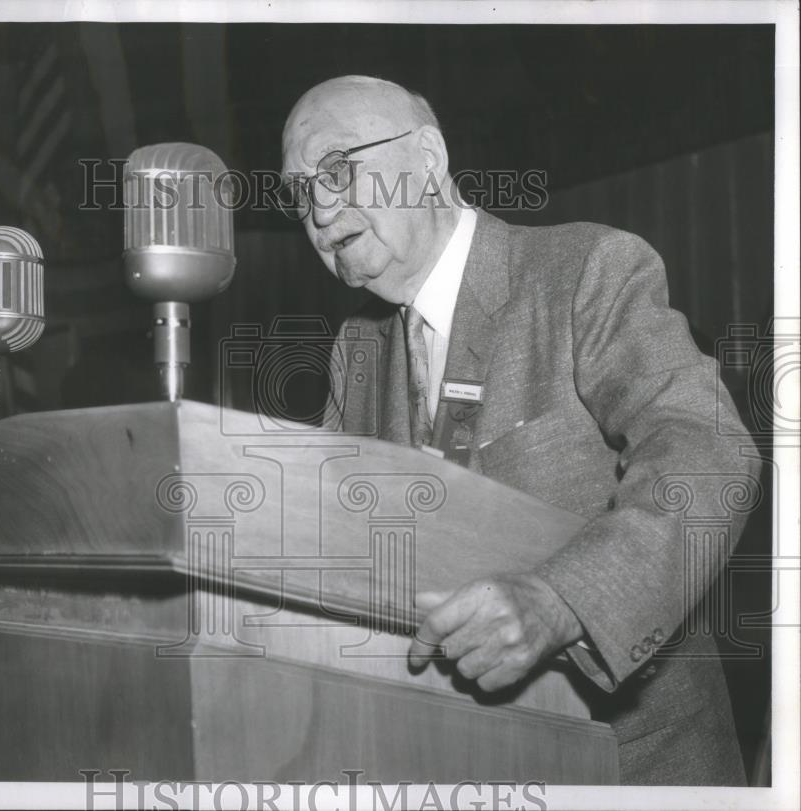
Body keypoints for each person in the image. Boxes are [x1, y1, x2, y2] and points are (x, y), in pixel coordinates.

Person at [277, 74, 760, 785]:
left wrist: (562, 600)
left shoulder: (585, 272)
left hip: (632, 770)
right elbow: (325, 546)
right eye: (297, 191)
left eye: (338, 169)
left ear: (429, 157)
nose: (318, 210)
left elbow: (709, 451)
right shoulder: (357, 350)